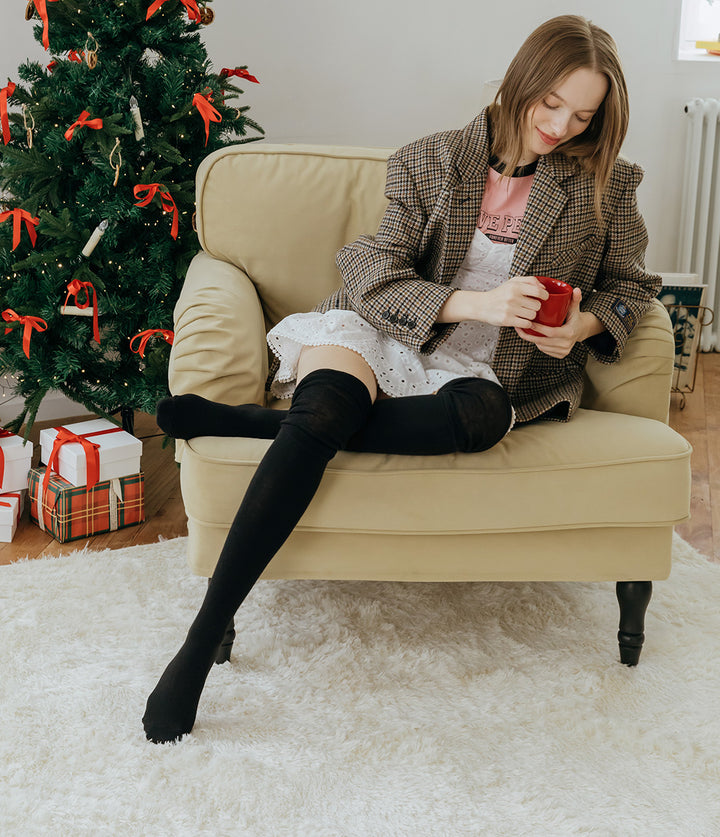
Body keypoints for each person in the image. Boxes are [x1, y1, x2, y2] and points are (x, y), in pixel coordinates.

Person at [142, 14, 661, 743]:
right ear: (521, 81)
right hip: (383, 334)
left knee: (468, 423)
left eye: (581, 116)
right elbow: (371, 272)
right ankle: (198, 644)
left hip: (490, 371)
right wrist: (476, 301)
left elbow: (633, 287)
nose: (560, 125)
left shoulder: (606, 183)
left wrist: (584, 326)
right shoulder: (431, 160)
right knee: (328, 403)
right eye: (550, 104)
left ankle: (268, 423)